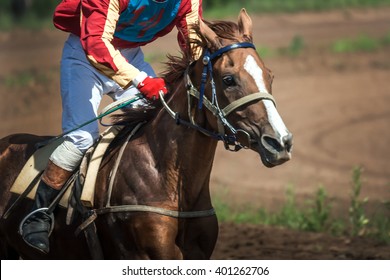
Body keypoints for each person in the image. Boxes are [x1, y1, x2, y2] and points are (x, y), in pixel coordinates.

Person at [20, 0, 203, 254]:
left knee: (161, 125)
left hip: (131, 56)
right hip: (85, 56)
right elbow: (96, 44)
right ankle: (37, 215)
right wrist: (140, 81)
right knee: (82, 138)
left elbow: (195, 43)